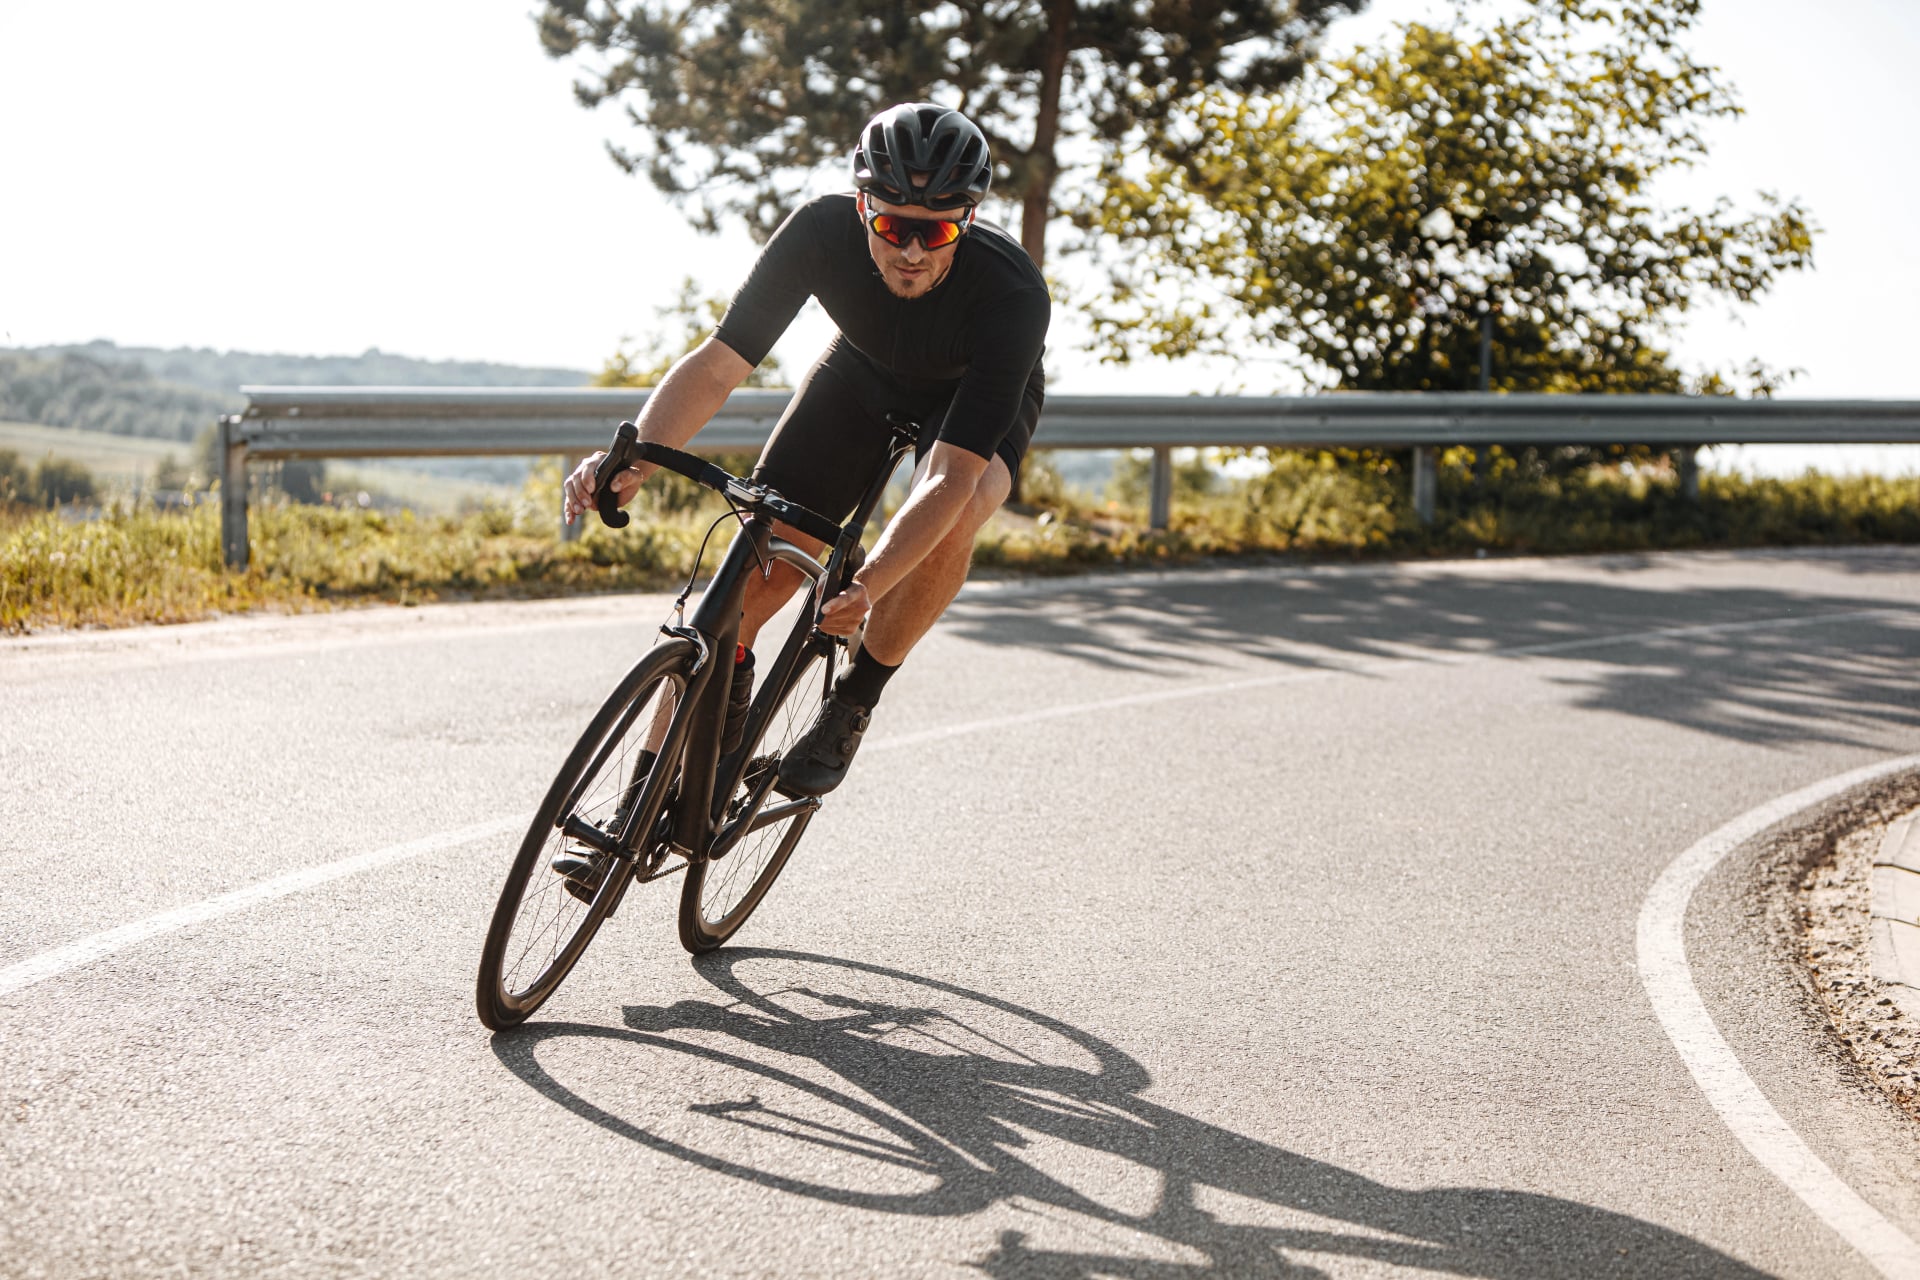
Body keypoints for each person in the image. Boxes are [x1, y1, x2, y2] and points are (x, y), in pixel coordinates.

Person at [562, 101, 1050, 799]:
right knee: (758, 557)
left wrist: (868, 587)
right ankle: (644, 793)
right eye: (891, 226)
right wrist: (637, 455)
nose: (911, 251)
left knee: (965, 505)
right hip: (862, 371)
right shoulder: (818, 232)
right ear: (861, 206)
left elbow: (945, 476)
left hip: (969, 392)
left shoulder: (1013, 294)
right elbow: (719, 364)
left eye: (936, 230)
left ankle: (856, 698)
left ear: (968, 220)